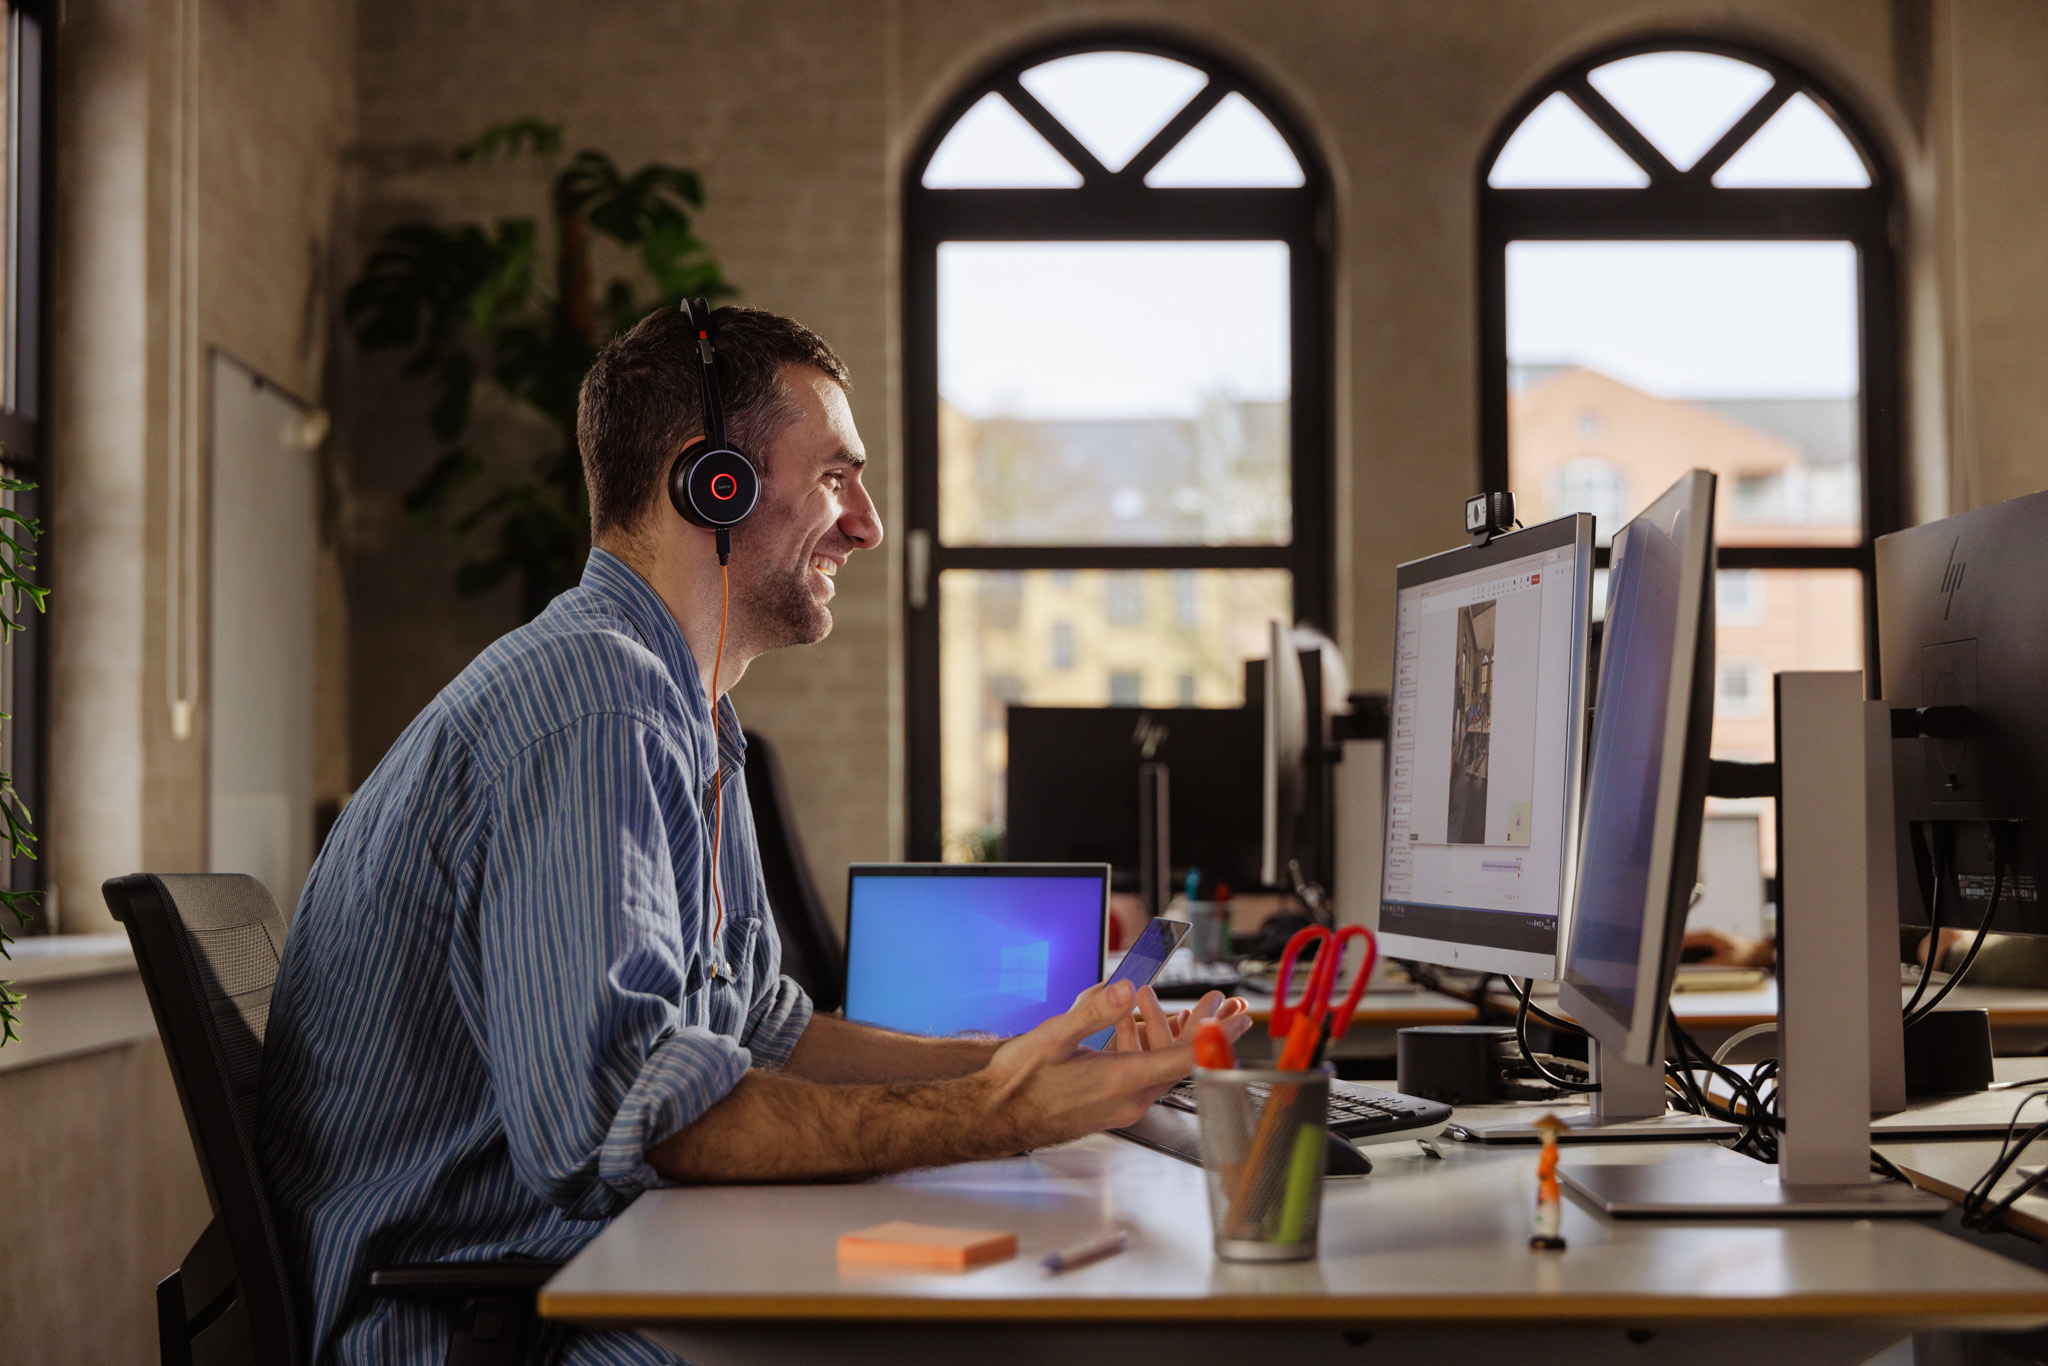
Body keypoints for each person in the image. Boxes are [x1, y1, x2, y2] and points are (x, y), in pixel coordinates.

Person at [258, 304, 1251, 1365]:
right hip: (467, 1327)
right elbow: (637, 1123)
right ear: (712, 481)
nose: (865, 523)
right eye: (834, 475)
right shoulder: (600, 702)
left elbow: (764, 1029)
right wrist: (1000, 1113)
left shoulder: (687, 716)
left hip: (556, 1278)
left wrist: (1010, 1060)